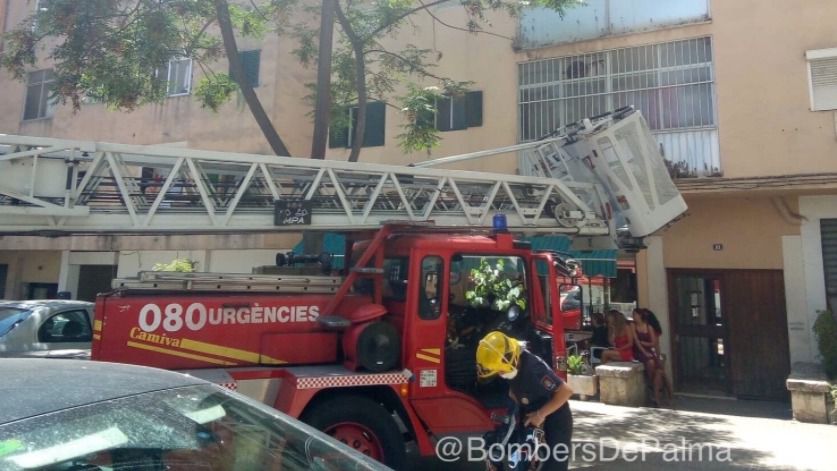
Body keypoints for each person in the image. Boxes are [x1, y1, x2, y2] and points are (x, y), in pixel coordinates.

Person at [476, 331, 573, 471]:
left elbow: (565, 391)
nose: (500, 374)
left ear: (510, 359)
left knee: (553, 464)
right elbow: (514, 392)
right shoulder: (512, 364)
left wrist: (540, 414)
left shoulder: (534, 368)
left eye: (501, 371)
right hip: (530, 415)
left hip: (554, 417)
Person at [632, 308, 664, 406]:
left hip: (649, 350)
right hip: (639, 351)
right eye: (633, 315)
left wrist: (645, 344)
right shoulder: (633, 326)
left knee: (658, 372)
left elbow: (654, 343)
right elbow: (637, 342)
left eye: (636, 315)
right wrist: (645, 352)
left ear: (640, 315)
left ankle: (656, 398)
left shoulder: (649, 327)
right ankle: (651, 382)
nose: (634, 317)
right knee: (651, 362)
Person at [642, 308, 674, 403]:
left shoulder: (650, 328)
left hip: (654, 354)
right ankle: (666, 395)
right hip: (656, 353)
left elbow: (655, 344)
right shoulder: (654, 328)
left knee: (659, 374)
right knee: (661, 374)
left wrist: (658, 357)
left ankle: (659, 396)